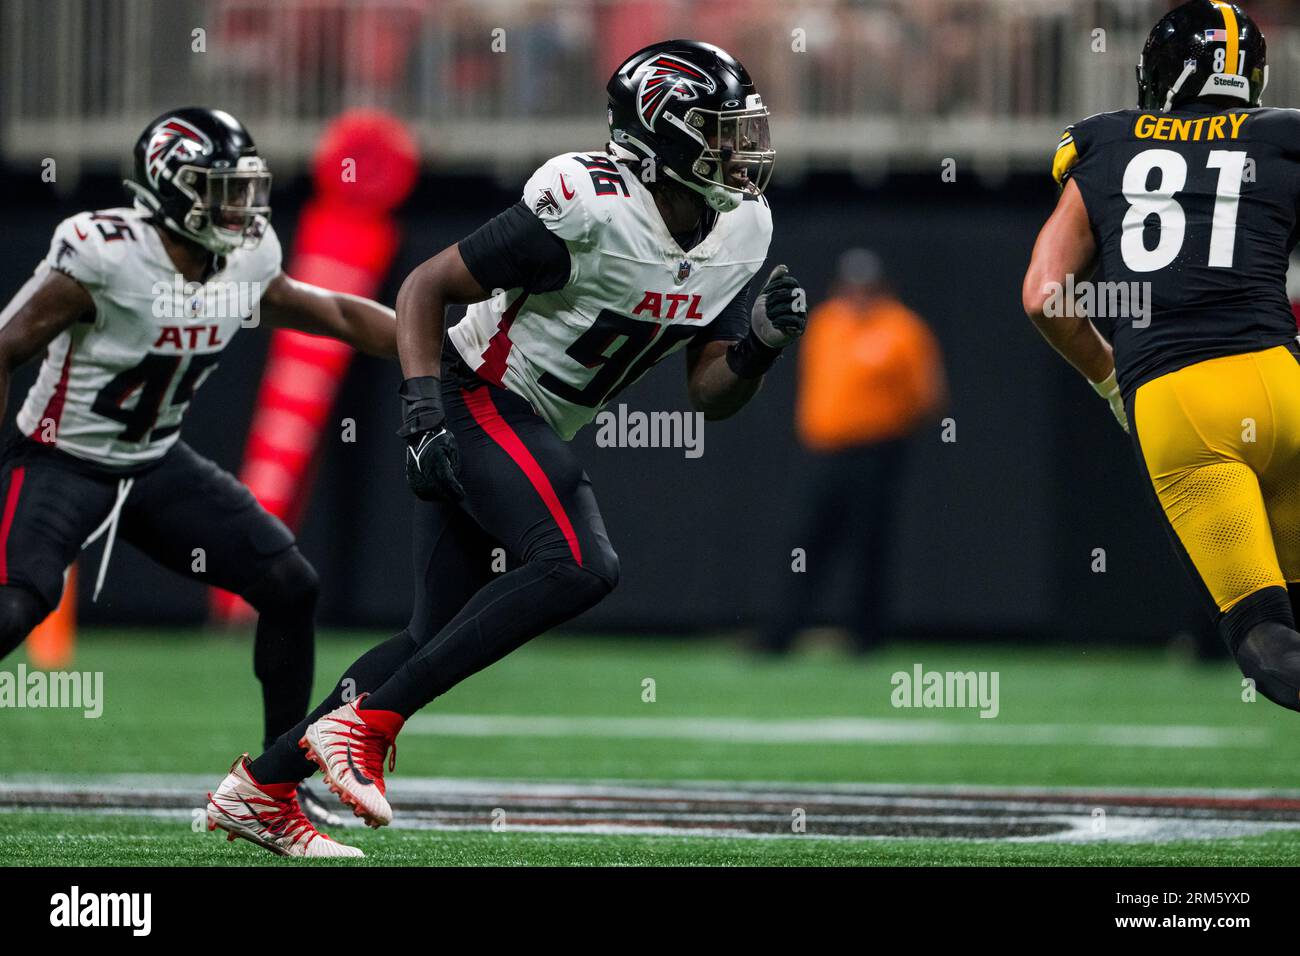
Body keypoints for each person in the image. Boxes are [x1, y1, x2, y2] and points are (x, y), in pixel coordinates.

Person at [206, 39, 808, 858]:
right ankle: (367, 729)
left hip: (534, 416)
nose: (740, 151)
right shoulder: (588, 203)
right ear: (660, 132)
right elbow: (426, 287)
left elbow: (711, 394)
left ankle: (263, 789)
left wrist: (758, 350)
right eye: (718, 130)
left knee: (430, 637)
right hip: (475, 391)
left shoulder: (742, 228)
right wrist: (422, 415)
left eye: (742, 131)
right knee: (578, 564)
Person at [0, 107, 399, 856]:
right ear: (168, 188)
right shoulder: (105, 252)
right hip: (64, 455)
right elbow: (5, 346)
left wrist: (438, 347)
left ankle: (277, 786)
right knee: (19, 602)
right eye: (219, 190)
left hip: (155, 461)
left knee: (289, 584)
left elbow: (335, 310)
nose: (238, 209)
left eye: (242, 189)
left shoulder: (245, 256)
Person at [1024, 2, 1300, 718]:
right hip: (1282, 378)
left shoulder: (1106, 142)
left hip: (1182, 401)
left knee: (1267, 639)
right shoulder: (1283, 137)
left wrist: (1112, 382)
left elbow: (1044, 296)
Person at [759, 248, 944, 655]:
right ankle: (779, 635)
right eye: (851, 287)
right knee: (805, 544)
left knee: (869, 545)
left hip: (876, 452)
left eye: (867, 288)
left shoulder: (902, 329)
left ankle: (867, 638)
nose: (858, 296)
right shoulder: (825, 322)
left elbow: (927, 397)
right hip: (823, 451)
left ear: (882, 289)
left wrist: (885, 426)